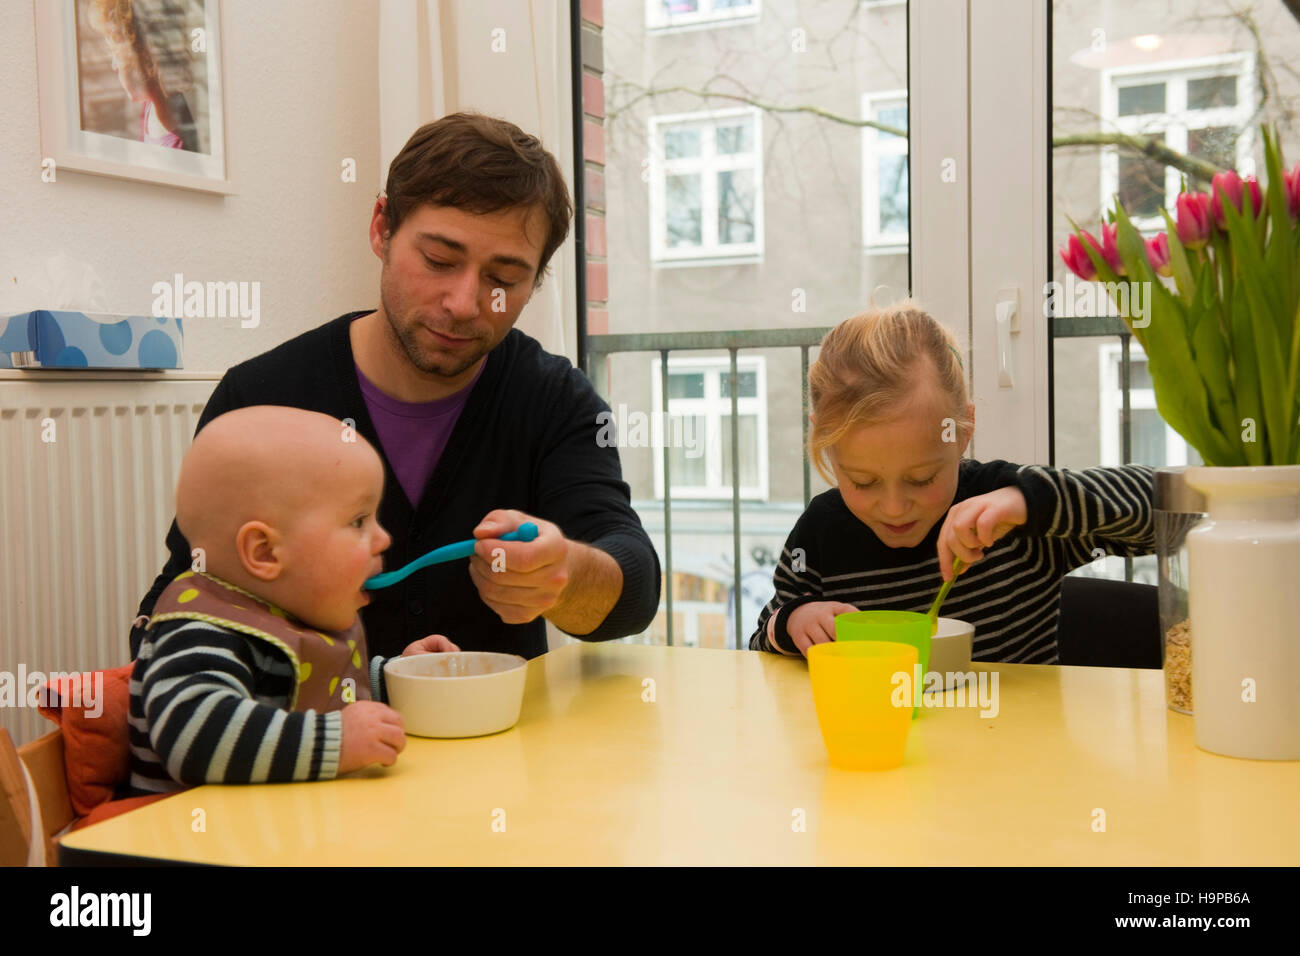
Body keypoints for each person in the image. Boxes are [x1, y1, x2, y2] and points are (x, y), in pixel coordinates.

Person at [130, 112, 660, 664]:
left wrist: (565, 576)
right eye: (438, 260)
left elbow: (634, 592)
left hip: (501, 743)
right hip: (314, 748)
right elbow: (175, 608)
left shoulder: (553, 400)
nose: (463, 303)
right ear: (382, 228)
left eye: (503, 280)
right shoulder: (262, 396)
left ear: (536, 281)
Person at [750, 300, 1154, 662]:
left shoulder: (1012, 509)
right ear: (824, 441)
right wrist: (794, 622)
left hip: (1017, 742)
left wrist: (1030, 503)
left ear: (963, 430)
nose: (893, 507)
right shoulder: (820, 531)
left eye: (922, 478)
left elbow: (1170, 509)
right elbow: (761, 642)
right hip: (883, 742)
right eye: (864, 482)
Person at [128, 406, 459, 795]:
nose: (384, 538)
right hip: (186, 845)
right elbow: (194, 738)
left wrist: (398, 678)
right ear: (265, 552)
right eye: (358, 521)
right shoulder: (202, 630)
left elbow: (315, 688)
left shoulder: (288, 613)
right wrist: (338, 741)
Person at [88, 0, 198, 151]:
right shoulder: (150, 105)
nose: (114, 66)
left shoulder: (182, 144)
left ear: (147, 61)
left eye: (116, 54)